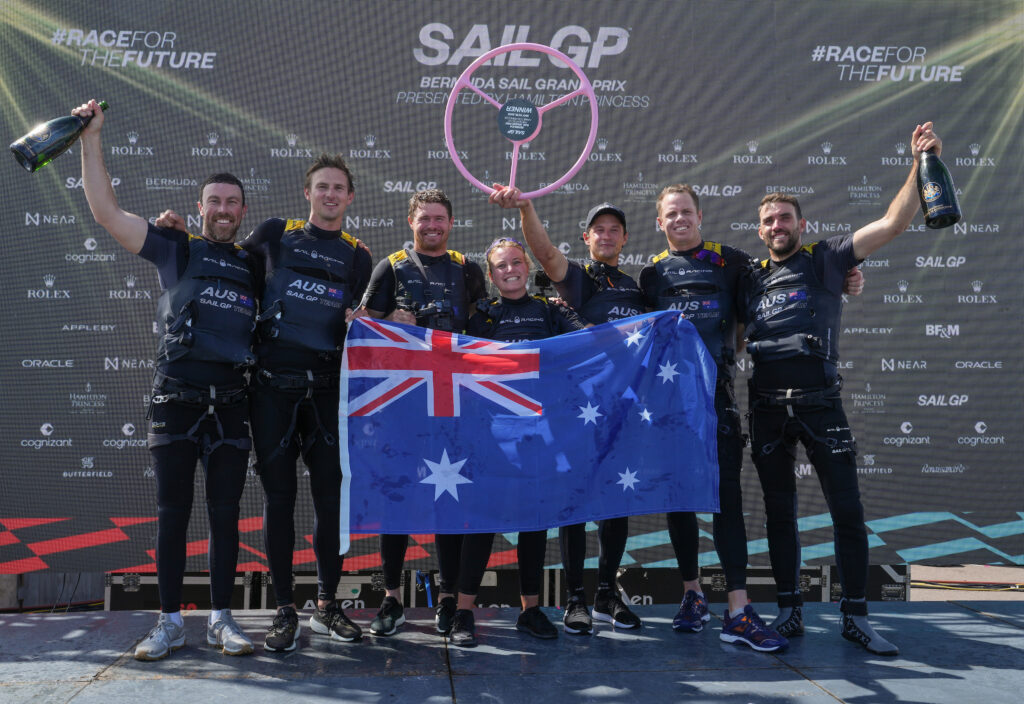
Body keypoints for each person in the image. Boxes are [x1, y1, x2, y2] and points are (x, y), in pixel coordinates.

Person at [157, 154, 372, 652]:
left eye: (339, 188)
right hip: (271, 389)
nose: (331, 195)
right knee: (278, 501)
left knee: (329, 500)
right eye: (322, 187)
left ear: (350, 197)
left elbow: (360, 319)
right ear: (308, 193)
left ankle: (327, 605)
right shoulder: (275, 234)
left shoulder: (358, 255)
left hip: (326, 390)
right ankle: (284, 610)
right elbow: (223, 261)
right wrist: (180, 235)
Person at [743, 122, 941, 657]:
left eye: (785, 217)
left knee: (848, 513)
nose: (777, 225)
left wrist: (919, 162)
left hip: (820, 405)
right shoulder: (749, 277)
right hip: (764, 410)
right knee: (779, 515)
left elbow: (896, 222)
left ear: (801, 224)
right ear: (759, 231)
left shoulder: (827, 258)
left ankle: (856, 617)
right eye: (768, 221)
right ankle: (789, 612)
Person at [76, 99, 256, 660]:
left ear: (242, 211)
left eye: (232, 203)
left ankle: (222, 620)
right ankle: (171, 620)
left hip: (231, 405)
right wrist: (91, 137)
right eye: (214, 202)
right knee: (172, 517)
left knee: (225, 518)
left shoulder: (258, 263)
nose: (223, 210)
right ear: (198, 207)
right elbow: (106, 212)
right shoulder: (175, 247)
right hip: (175, 404)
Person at [639, 184, 786, 652]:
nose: (679, 219)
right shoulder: (651, 275)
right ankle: (693, 596)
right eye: (670, 214)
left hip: (716, 398)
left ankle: (737, 610)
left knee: (725, 501)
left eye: (686, 211)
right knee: (680, 500)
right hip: (667, 405)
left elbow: (776, 286)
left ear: (700, 215)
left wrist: (846, 277)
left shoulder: (733, 262)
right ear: (659, 223)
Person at [493, 187, 644, 634]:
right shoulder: (577, 279)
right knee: (576, 505)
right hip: (576, 411)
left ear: (625, 238)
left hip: (622, 407)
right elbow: (541, 249)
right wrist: (526, 207)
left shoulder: (636, 286)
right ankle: (575, 598)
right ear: (585, 238)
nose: (607, 235)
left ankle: (605, 596)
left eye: (615, 229)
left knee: (617, 503)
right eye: (599, 230)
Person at [432, 235, 587, 646]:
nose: (510, 270)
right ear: (491, 275)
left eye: (516, 262)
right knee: (480, 524)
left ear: (527, 266)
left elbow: (588, 339)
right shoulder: (481, 316)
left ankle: (530, 610)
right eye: (501, 266)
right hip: (490, 438)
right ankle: (464, 611)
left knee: (534, 526)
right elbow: (454, 361)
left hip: (538, 436)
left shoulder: (549, 310)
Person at [349, 188, 487, 640]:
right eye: (424, 218)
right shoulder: (390, 266)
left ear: (451, 223)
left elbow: (485, 331)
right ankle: (391, 599)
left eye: (440, 219)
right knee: (398, 501)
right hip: (401, 407)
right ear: (411, 221)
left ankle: (448, 600)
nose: (432, 226)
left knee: (450, 502)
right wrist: (391, 321)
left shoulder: (468, 269)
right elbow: (362, 330)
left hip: (454, 405)